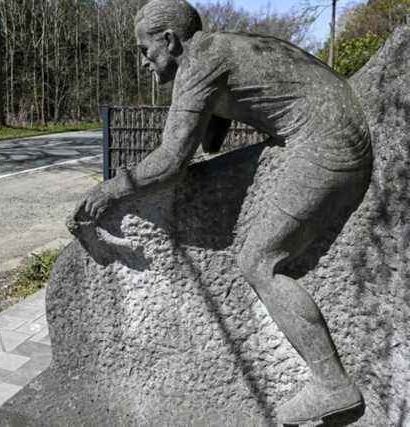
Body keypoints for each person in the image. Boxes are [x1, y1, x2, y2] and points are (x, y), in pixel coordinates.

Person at [71, 0, 373, 424]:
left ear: (169, 40)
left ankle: (334, 383)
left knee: (258, 260)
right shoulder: (224, 48)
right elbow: (211, 142)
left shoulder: (200, 62)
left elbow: (172, 159)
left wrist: (113, 189)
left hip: (328, 143)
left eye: (144, 50)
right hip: (338, 127)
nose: (143, 61)